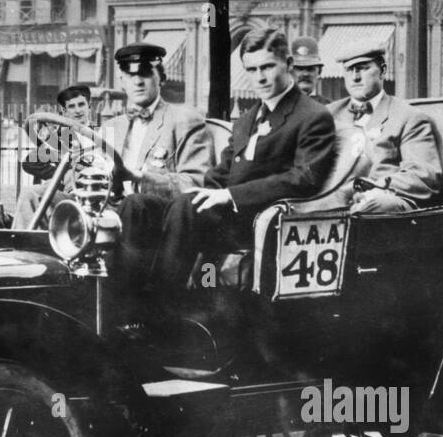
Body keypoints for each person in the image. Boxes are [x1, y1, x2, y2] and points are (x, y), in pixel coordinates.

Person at [119, 29, 337, 289]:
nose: (260, 78)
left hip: (259, 217)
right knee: (137, 205)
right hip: (228, 214)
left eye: (267, 67)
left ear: (288, 64)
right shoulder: (246, 119)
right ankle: (125, 306)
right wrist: (207, 191)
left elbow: (303, 179)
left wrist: (230, 195)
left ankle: (160, 308)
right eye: (252, 70)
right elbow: (220, 173)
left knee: (187, 207)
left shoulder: (313, 115)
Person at [326, 44, 443, 213]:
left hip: (384, 199)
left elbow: (423, 175)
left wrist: (378, 188)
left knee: (370, 206)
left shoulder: (408, 117)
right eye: (349, 70)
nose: (355, 77)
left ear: (382, 70)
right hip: (335, 197)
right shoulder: (328, 115)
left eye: (363, 69)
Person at [99, 43, 213, 199]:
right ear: (122, 81)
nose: (137, 81)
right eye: (130, 75)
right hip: (107, 207)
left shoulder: (184, 121)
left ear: (161, 78)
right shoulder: (110, 126)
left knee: (133, 203)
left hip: (152, 212)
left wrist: (140, 178)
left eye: (145, 73)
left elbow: (196, 182)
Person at [14, 83, 95, 227]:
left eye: (81, 104)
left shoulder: (102, 132)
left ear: (89, 106)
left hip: (99, 192)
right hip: (72, 192)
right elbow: (30, 162)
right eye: (71, 106)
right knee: (31, 193)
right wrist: (63, 174)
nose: (77, 111)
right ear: (64, 111)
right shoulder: (63, 136)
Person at [290, 35, 330, 105]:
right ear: (290, 72)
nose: (306, 74)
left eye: (310, 69)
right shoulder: (278, 106)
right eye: (300, 69)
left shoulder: (330, 108)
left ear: (319, 72)